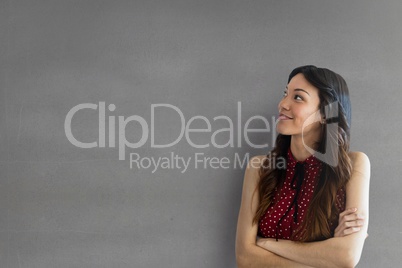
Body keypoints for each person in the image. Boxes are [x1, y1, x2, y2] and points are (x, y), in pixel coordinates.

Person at [235, 65, 370, 268]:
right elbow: (245, 258)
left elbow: (347, 256)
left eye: (297, 97)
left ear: (326, 113)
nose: (282, 104)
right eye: (285, 94)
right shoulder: (259, 167)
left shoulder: (354, 165)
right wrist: (324, 257)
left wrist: (267, 244)